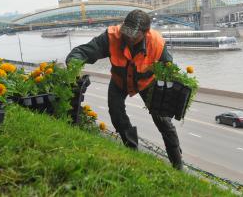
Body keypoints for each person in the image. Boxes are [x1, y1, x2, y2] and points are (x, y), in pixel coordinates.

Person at [66, 9, 183, 170]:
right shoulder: (111, 37)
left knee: (163, 120)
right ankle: (131, 149)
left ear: (145, 32)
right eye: (126, 32)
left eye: (133, 35)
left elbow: (170, 70)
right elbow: (81, 52)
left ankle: (177, 163)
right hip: (119, 81)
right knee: (116, 113)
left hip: (146, 82)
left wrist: (173, 89)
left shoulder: (156, 43)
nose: (128, 38)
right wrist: (74, 66)